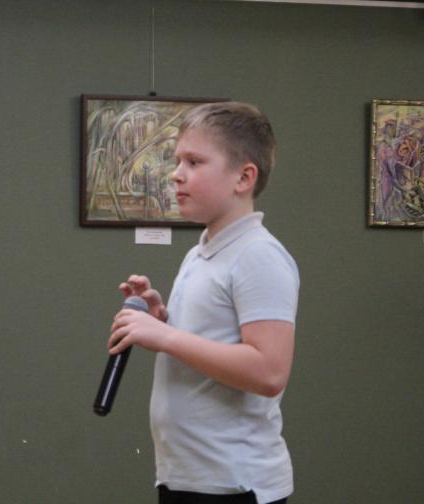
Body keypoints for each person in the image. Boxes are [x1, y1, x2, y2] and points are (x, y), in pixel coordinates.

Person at [108, 101, 299, 504]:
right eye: (177, 161)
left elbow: (269, 372)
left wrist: (165, 337)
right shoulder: (201, 253)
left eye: (194, 162)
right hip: (187, 479)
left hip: (234, 485)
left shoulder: (258, 256)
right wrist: (162, 320)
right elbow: (210, 344)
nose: (176, 173)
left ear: (244, 177)